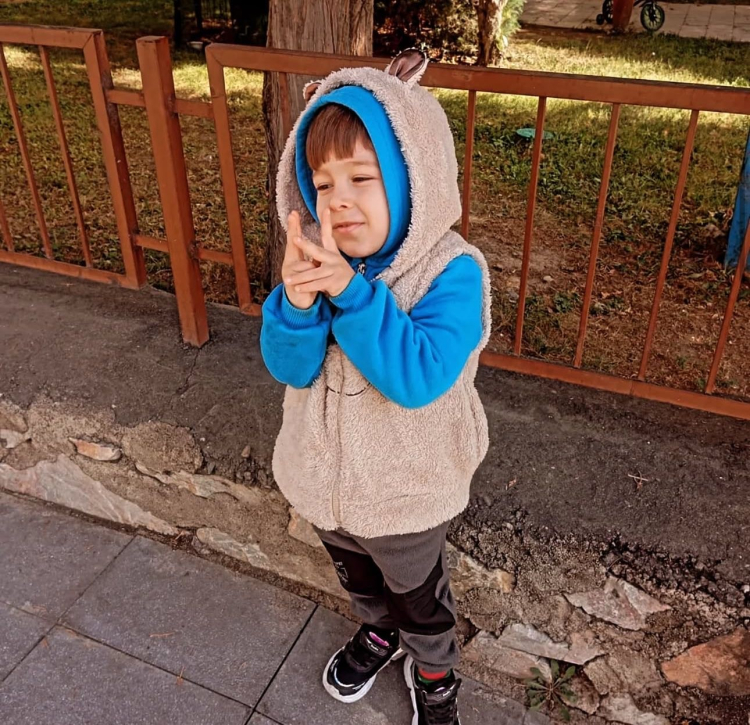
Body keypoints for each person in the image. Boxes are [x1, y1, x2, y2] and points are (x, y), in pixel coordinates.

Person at [260, 49, 492, 725]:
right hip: (326, 482)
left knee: (418, 594)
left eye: (362, 177)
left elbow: (418, 376)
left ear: (414, 176)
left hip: (406, 492)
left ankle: (436, 671)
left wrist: (352, 295)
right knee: (358, 575)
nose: (339, 201)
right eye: (322, 183)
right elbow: (291, 367)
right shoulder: (324, 262)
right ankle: (378, 630)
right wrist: (296, 304)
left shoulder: (452, 272)